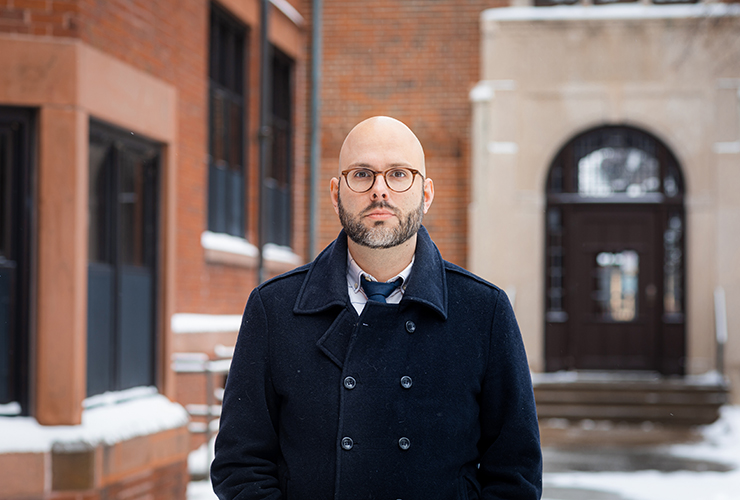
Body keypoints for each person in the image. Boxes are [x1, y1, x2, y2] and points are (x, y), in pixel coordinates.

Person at [211, 116, 543, 500]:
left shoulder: (484, 312)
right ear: (336, 192)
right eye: (362, 174)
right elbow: (240, 466)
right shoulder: (275, 308)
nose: (380, 191)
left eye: (399, 174)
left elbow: (515, 474)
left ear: (426, 193)